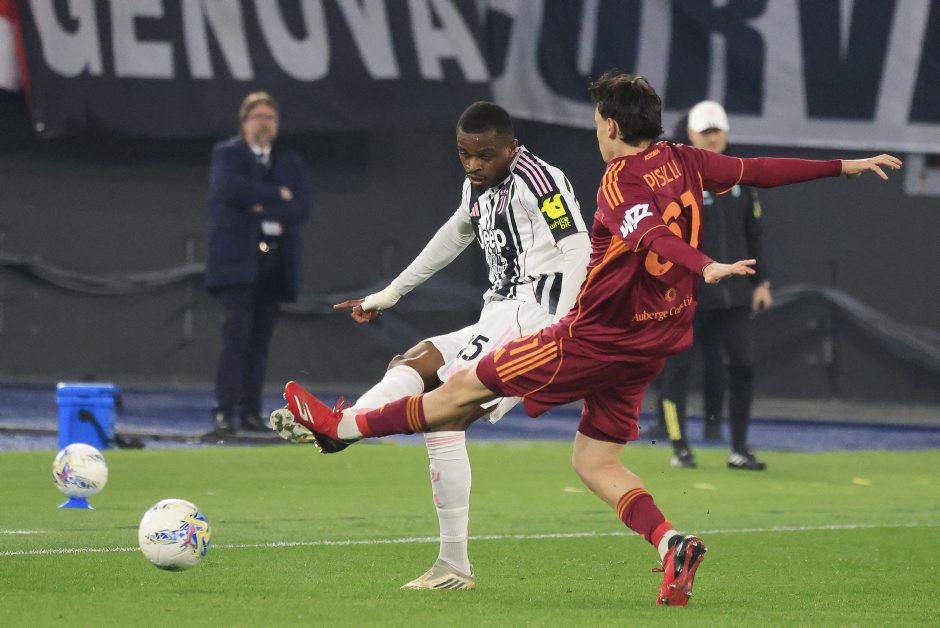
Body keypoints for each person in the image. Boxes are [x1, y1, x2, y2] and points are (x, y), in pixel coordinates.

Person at [271, 71, 900, 606]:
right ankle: (671, 544)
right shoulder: (684, 159)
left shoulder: (616, 181)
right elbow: (757, 170)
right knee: (595, 461)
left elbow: (649, 233)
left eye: (599, 121)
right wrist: (842, 165)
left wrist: (703, 263)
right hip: (652, 342)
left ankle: (342, 427)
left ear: (610, 126)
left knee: (457, 393)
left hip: (588, 335)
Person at [321, 101, 590, 590]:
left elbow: (578, 248)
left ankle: (344, 429)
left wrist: (564, 325)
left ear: (511, 147)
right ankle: (344, 427)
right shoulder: (476, 187)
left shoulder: (539, 179)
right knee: (413, 360)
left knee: (445, 409)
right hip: (499, 313)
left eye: (485, 155)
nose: (473, 165)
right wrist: (392, 292)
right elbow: (455, 233)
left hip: (534, 318)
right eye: (464, 154)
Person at [655, 101, 773, 470]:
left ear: (726, 133)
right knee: (678, 370)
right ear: (691, 134)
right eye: (705, 131)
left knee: (743, 366)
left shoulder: (741, 177)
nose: (712, 137)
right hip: (688, 294)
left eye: (716, 130)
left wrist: (762, 282)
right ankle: (679, 447)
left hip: (733, 295)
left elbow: (754, 234)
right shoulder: (675, 179)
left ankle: (738, 449)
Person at [205, 91, 311, 435]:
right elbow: (230, 190)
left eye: (271, 118)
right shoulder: (227, 154)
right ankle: (224, 411)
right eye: (258, 117)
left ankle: (250, 411)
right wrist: (277, 194)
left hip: (275, 264)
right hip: (238, 264)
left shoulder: (289, 161)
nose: (265, 123)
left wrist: (259, 205)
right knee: (235, 338)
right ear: (244, 122)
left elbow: (300, 208)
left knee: (260, 342)